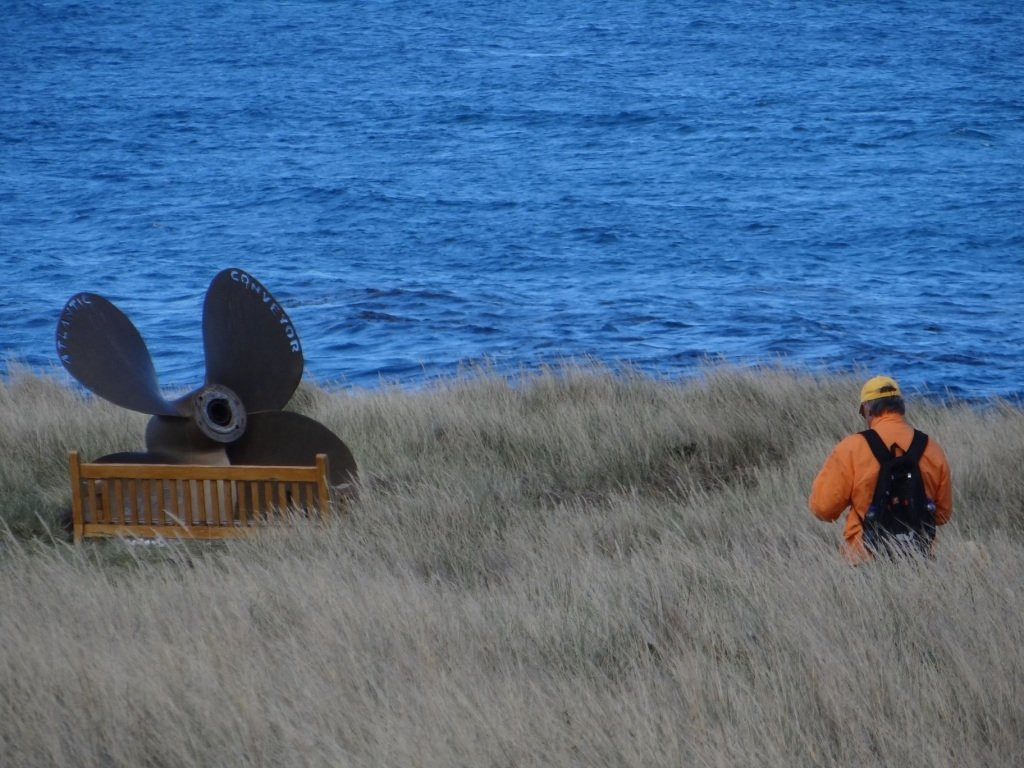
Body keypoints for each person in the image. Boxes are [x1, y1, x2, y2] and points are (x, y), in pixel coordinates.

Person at [809, 375, 953, 562]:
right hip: (920, 561)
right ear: (900, 407)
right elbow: (941, 515)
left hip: (864, 562)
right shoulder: (931, 448)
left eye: (863, 412)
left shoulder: (851, 447)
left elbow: (823, 509)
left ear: (868, 408)